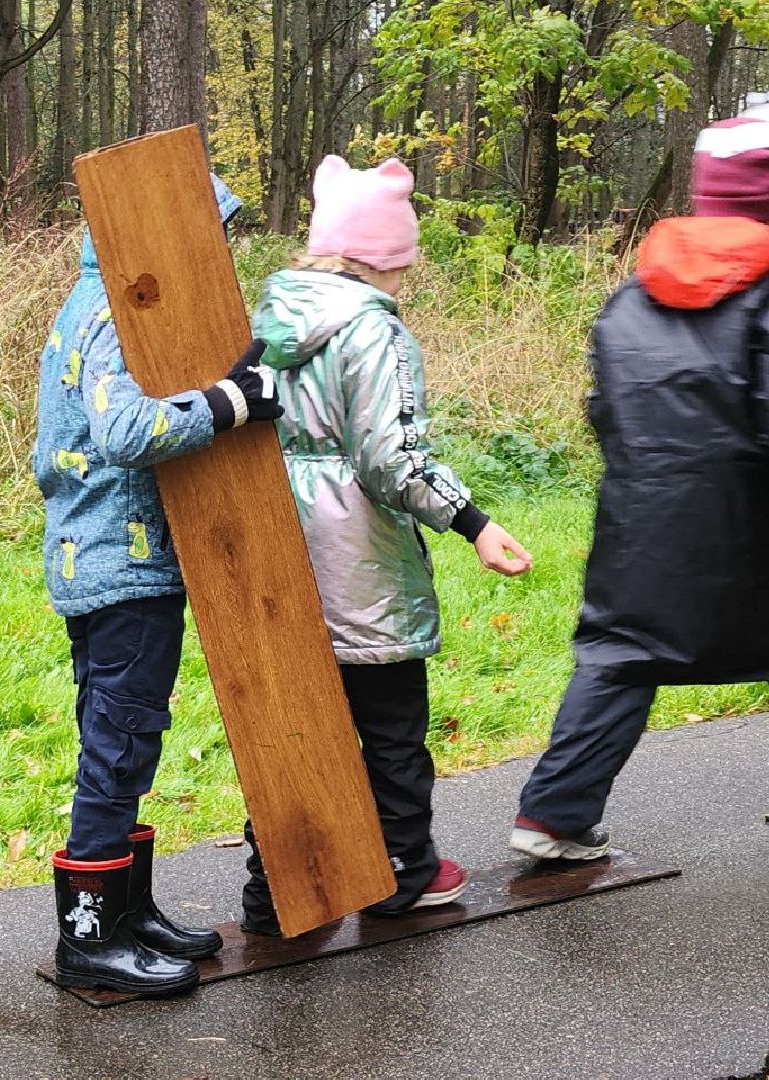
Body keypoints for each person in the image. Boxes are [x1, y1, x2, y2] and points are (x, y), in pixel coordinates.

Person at [244, 156, 532, 931]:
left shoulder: (274, 315)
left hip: (279, 546)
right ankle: (405, 869)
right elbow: (392, 459)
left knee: (297, 724)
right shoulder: (374, 330)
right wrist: (475, 523)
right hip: (357, 555)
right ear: (381, 255)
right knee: (390, 720)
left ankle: (275, 888)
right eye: (404, 261)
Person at [34, 174, 282, 995]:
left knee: (125, 736)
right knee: (118, 742)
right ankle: (91, 939)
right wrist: (229, 404)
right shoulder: (111, 311)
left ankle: (127, 910)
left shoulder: (93, 301)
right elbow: (128, 431)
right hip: (120, 566)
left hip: (108, 562)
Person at [512, 107, 769, 859]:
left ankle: (553, 817)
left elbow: (604, 410)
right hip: (747, 525)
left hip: (639, 519)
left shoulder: (633, 296)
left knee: (620, 653)